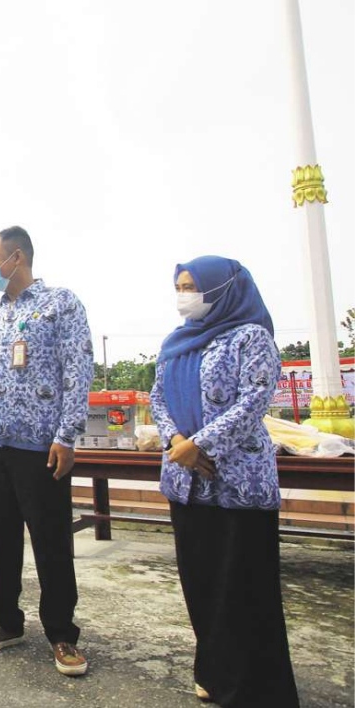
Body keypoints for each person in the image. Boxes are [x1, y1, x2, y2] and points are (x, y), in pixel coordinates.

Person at [150, 256, 298, 706]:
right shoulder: (177, 342)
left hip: (238, 484)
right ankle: (215, 673)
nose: (183, 294)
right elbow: (157, 395)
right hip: (186, 481)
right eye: (178, 285)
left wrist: (201, 444)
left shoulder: (251, 337)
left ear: (223, 288)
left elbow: (253, 402)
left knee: (242, 586)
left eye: (192, 285)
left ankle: (255, 687)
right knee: (202, 584)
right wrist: (177, 440)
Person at [0, 226, 94, 677]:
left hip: (41, 444)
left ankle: (61, 634)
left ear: (17, 258)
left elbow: (78, 370)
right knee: (1, 537)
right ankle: (5, 622)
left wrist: (67, 435)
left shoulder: (61, 304)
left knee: (52, 540)